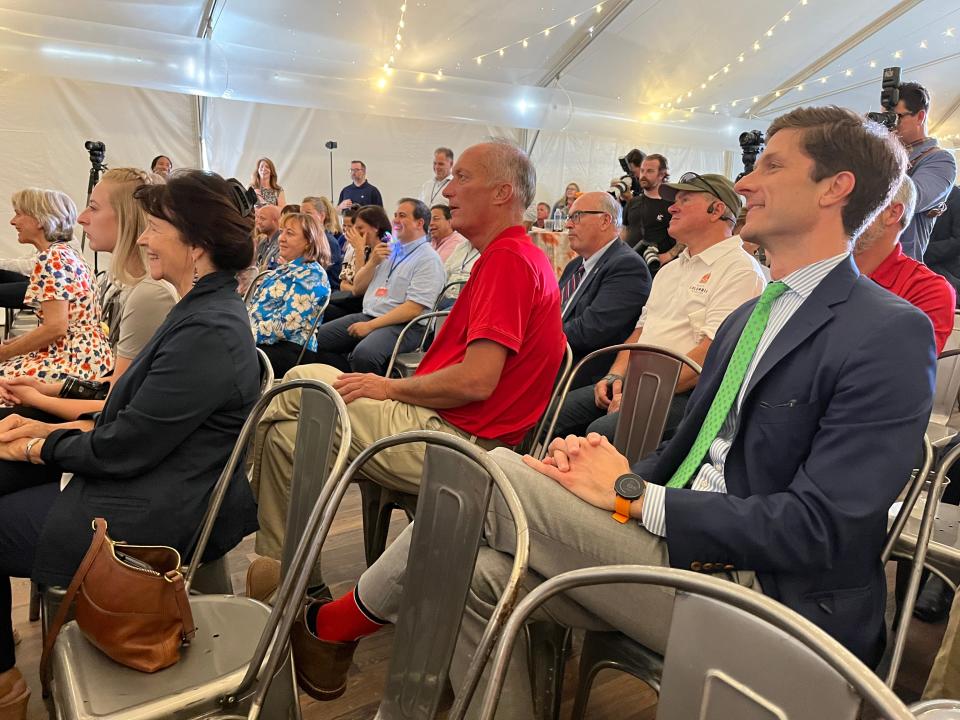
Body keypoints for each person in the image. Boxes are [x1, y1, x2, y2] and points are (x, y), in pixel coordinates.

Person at [293, 106, 936, 715]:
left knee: (489, 473)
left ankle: (335, 625)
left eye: (771, 166)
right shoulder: (750, 317)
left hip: (763, 593)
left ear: (835, 189)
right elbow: (696, 448)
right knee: (480, 568)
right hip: (676, 547)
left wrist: (631, 495)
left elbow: (822, 529)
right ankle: (348, 636)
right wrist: (603, 469)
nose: (745, 181)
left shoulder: (886, 331)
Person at [247, 140, 565, 617]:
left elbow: (477, 381)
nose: (448, 189)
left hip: (460, 443)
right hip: (450, 426)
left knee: (306, 377)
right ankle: (293, 582)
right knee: (285, 437)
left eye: (462, 178)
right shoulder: (513, 255)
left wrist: (390, 386)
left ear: (502, 193)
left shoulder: (508, 260)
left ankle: (242, 522)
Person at [0, 169, 260, 719]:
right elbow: (134, 413)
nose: (143, 237)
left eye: (157, 227)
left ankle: (6, 687)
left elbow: (125, 447)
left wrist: (38, 447)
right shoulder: (200, 309)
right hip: (151, 479)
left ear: (197, 245)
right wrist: (45, 429)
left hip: (151, 512)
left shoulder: (207, 327)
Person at [554, 173, 765, 441]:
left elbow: (712, 355)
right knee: (554, 412)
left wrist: (641, 393)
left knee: (601, 433)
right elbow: (641, 332)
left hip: (687, 392)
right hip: (642, 381)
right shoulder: (670, 270)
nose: (671, 208)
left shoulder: (740, 270)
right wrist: (614, 376)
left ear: (717, 210)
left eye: (685, 200)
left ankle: (602, 481)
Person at [0, 168, 179, 423]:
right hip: (89, 366)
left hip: (76, 366)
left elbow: (117, 408)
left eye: (93, 208)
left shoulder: (148, 293)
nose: (81, 218)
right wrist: (42, 391)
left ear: (125, 217)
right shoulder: (132, 285)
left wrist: (36, 401)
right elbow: (117, 386)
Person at [310, 199, 444, 374]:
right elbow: (358, 288)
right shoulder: (389, 250)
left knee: (365, 354)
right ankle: (345, 380)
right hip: (370, 314)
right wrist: (372, 262)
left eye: (402, 216)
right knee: (316, 340)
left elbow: (413, 309)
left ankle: (374, 396)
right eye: (395, 215)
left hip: (405, 325)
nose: (395, 220)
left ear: (420, 223)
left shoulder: (428, 259)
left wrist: (371, 326)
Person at [0, 189, 111, 383]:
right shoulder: (66, 252)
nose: (13, 221)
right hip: (89, 356)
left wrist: (5, 353)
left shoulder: (51, 258)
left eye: (19, 214)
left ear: (40, 219)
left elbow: (56, 328)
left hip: (71, 360)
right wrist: (13, 345)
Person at [853, 175, 955, 354]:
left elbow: (898, 370)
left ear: (892, 213)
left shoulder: (928, 291)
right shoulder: (813, 265)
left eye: (853, 202)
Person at [558, 191, 651, 387]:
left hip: (583, 371)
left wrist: (540, 336)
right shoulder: (574, 266)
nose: (568, 224)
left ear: (605, 220)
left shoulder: (627, 266)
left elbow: (590, 331)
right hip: (559, 358)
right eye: (568, 217)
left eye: (577, 216)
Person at [249, 212, 331, 376]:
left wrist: (245, 334)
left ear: (309, 242)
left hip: (289, 350)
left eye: (290, 233)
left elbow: (287, 326)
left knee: (227, 360)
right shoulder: (287, 269)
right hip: (264, 342)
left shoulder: (312, 275)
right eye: (282, 231)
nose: (281, 238)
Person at [893, 82, 957, 260]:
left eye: (898, 117)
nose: (891, 124)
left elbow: (909, 200)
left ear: (920, 116)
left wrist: (885, 152)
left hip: (900, 266)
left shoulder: (941, 160)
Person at [621, 153, 678, 264]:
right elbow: (624, 232)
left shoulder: (673, 205)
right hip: (631, 266)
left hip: (659, 268)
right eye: (642, 170)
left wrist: (668, 256)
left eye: (650, 171)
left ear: (661, 174)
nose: (643, 175)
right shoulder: (632, 202)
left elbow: (684, 240)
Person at [924, 185, 960, 303]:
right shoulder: (915, 196)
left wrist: (921, 251)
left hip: (947, 271)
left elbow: (957, 242)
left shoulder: (956, 197)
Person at [301, 196, 343, 291]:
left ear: (322, 216)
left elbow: (321, 275)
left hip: (326, 291)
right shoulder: (308, 239)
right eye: (301, 214)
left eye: (308, 213)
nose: (303, 217)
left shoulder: (329, 242)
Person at [254, 204, 282, 271]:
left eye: (262, 218)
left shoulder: (282, 243)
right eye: (257, 218)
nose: (258, 222)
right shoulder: (261, 242)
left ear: (275, 221)